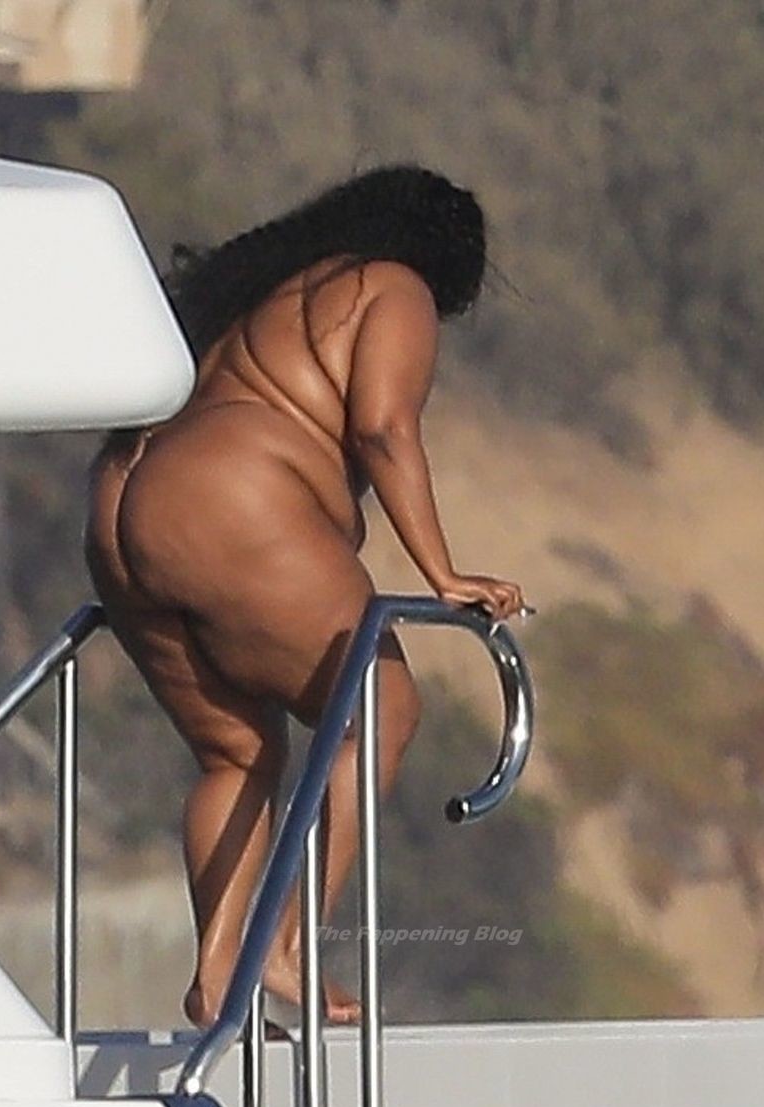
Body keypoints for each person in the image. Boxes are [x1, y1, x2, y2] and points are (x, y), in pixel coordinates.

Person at [85, 165, 525, 1028]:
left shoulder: (263, 289)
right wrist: (443, 573)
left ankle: (218, 971)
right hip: (227, 502)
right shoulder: (390, 289)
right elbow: (383, 425)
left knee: (239, 753)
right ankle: (286, 944)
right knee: (383, 709)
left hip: (117, 503)